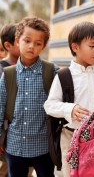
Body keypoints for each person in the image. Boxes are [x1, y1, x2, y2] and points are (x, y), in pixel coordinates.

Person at [44, 21, 94, 177]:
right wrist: (70, 109)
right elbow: (49, 105)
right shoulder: (64, 76)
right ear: (75, 47)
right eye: (92, 46)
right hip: (70, 138)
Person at [0, 16, 57, 177]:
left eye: (38, 43)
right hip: (15, 145)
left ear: (44, 46)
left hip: (43, 146)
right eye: (27, 41)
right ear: (18, 41)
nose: (32, 46)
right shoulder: (8, 74)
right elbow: (0, 105)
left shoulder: (51, 71)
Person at [0, 23, 35, 177]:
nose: (27, 45)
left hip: (28, 136)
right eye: (22, 40)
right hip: (8, 134)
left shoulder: (35, 68)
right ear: (8, 44)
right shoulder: (2, 70)